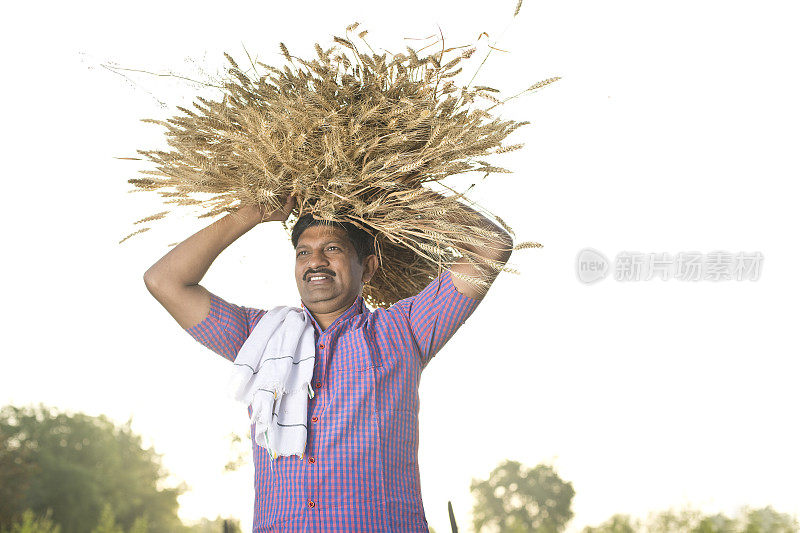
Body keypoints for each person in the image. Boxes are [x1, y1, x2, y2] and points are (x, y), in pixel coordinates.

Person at [142, 194, 513, 532]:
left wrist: (401, 189)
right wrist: (252, 213)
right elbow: (164, 280)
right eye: (303, 252)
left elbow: (490, 248)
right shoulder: (259, 338)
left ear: (367, 268)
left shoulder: (405, 329)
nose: (315, 261)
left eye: (332, 248)